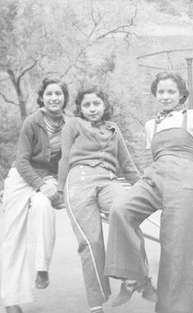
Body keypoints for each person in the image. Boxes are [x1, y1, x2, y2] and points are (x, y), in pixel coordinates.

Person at [104, 72, 193, 313]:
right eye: (161, 92)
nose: (165, 96)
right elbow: (155, 157)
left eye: (171, 91)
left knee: (178, 248)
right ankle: (136, 277)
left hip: (185, 176)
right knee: (121, 210)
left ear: (181, 94)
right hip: (156, 174)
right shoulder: (151, 124)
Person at [57, 87, 141, 313]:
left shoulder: (114, 129)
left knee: (126, 211)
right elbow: (65, 159)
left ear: (104, 106)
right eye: (87, 105)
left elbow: (128, 164)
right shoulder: (73, 124)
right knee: (91, 242)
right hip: (79, 181)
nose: (92, 109)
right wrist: (58, 190)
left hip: (109, 181)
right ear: (80, 108)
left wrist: (144, 189)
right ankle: (96, 304)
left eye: (96, 104)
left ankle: (131, 275)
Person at [1, 77, 68, 313]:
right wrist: (40, 184)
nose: (54, 98)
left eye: (58, 94)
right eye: (49, 94)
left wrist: (59, 189)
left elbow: (67, 162)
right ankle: (11, 300)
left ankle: (42, 268)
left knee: (43, 207)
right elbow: (22, 160)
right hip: (21, 178)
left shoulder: (70, 124)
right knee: (14, 239)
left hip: (46, 180)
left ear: (64, 97)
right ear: (42, 97)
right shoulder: (32, 121)